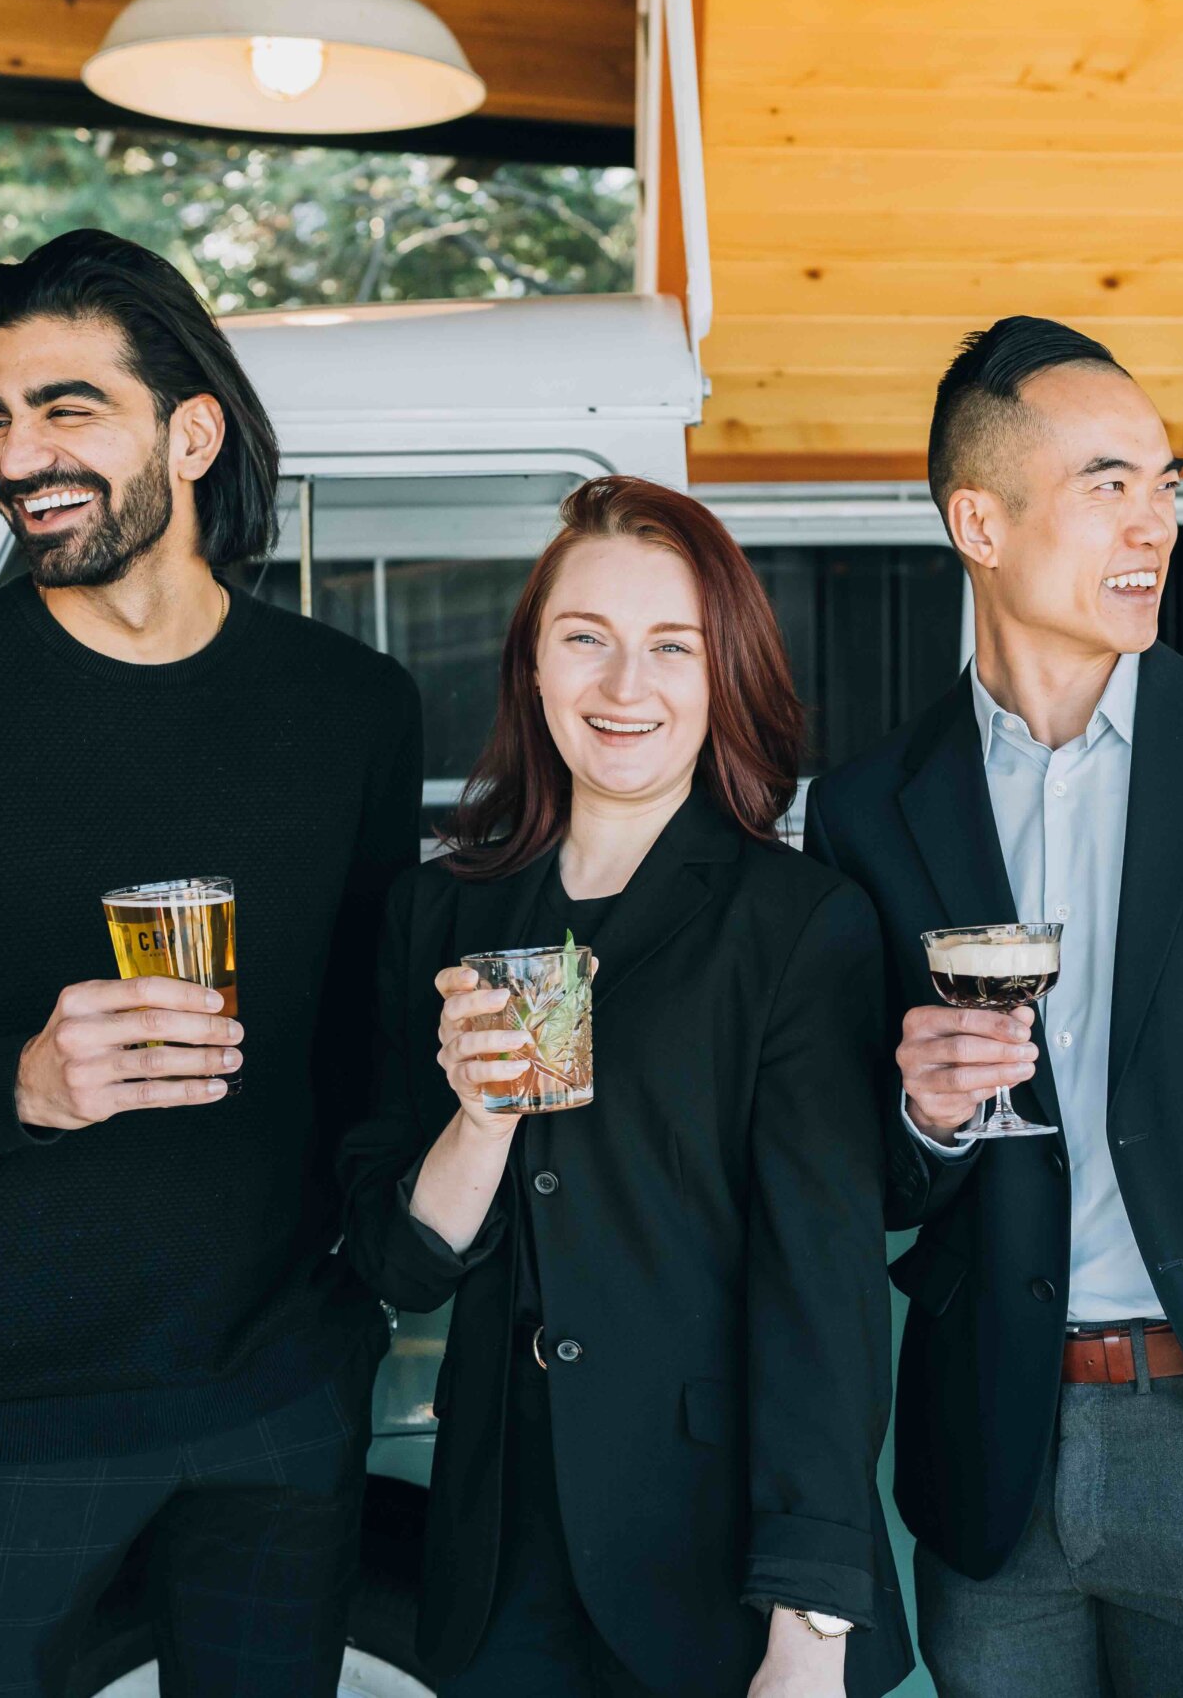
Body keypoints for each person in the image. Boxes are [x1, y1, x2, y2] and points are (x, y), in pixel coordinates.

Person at [0, 229, 423, 1697]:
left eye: (68, 409)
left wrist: (364, 1292)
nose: (20, 458)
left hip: (279, 1396)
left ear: (191, 434)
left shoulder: (351, 709)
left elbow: (366, 1054)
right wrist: (24, 1083)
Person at [801, 316, 1183, 1697]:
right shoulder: (863, 810)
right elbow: (853, 1182)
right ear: (979, 521)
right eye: (1108, 485)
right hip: (990, 1463)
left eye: (1165, 485)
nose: (1155, 524)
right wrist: (922, 1113)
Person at [337, 475, 913, 1698]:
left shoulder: (796, 924)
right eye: (585, 639)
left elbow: (824, 1290)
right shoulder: (438, 912)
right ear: (532, 667)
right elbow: (398, 1266)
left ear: (722, 676)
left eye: (671, 646)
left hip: (718, 1563)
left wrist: (810, 1624)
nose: (623, 686)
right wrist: (477, 1120)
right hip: (500, 1557)